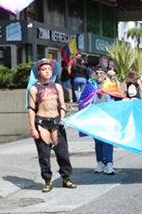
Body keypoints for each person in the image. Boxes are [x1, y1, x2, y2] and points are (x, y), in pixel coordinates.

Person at [27, 59, 77, 192]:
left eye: (49, 69)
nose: (47, 71)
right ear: (38, 72)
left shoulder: (57, 87)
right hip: (41, 123)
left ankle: (66, 178)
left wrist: (62, 118)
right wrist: (33, 128)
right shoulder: (33, 89)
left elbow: (62, 104)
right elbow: (31, 109)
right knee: (44, 154)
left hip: (56, 121)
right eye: (43, 69)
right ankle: (47, 180)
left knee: (62, 153)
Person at [85, 65, 117, 175]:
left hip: (107, 116)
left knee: (107, 140)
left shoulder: (110, 86)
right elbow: (84, 100)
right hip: (95, 116)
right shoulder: (90, 86)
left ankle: (109, 163)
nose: (99, 75)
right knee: (98, 141)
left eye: (102, 73)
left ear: (105, 75)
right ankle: (100, 162)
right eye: (97, 73)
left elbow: (116, 100)